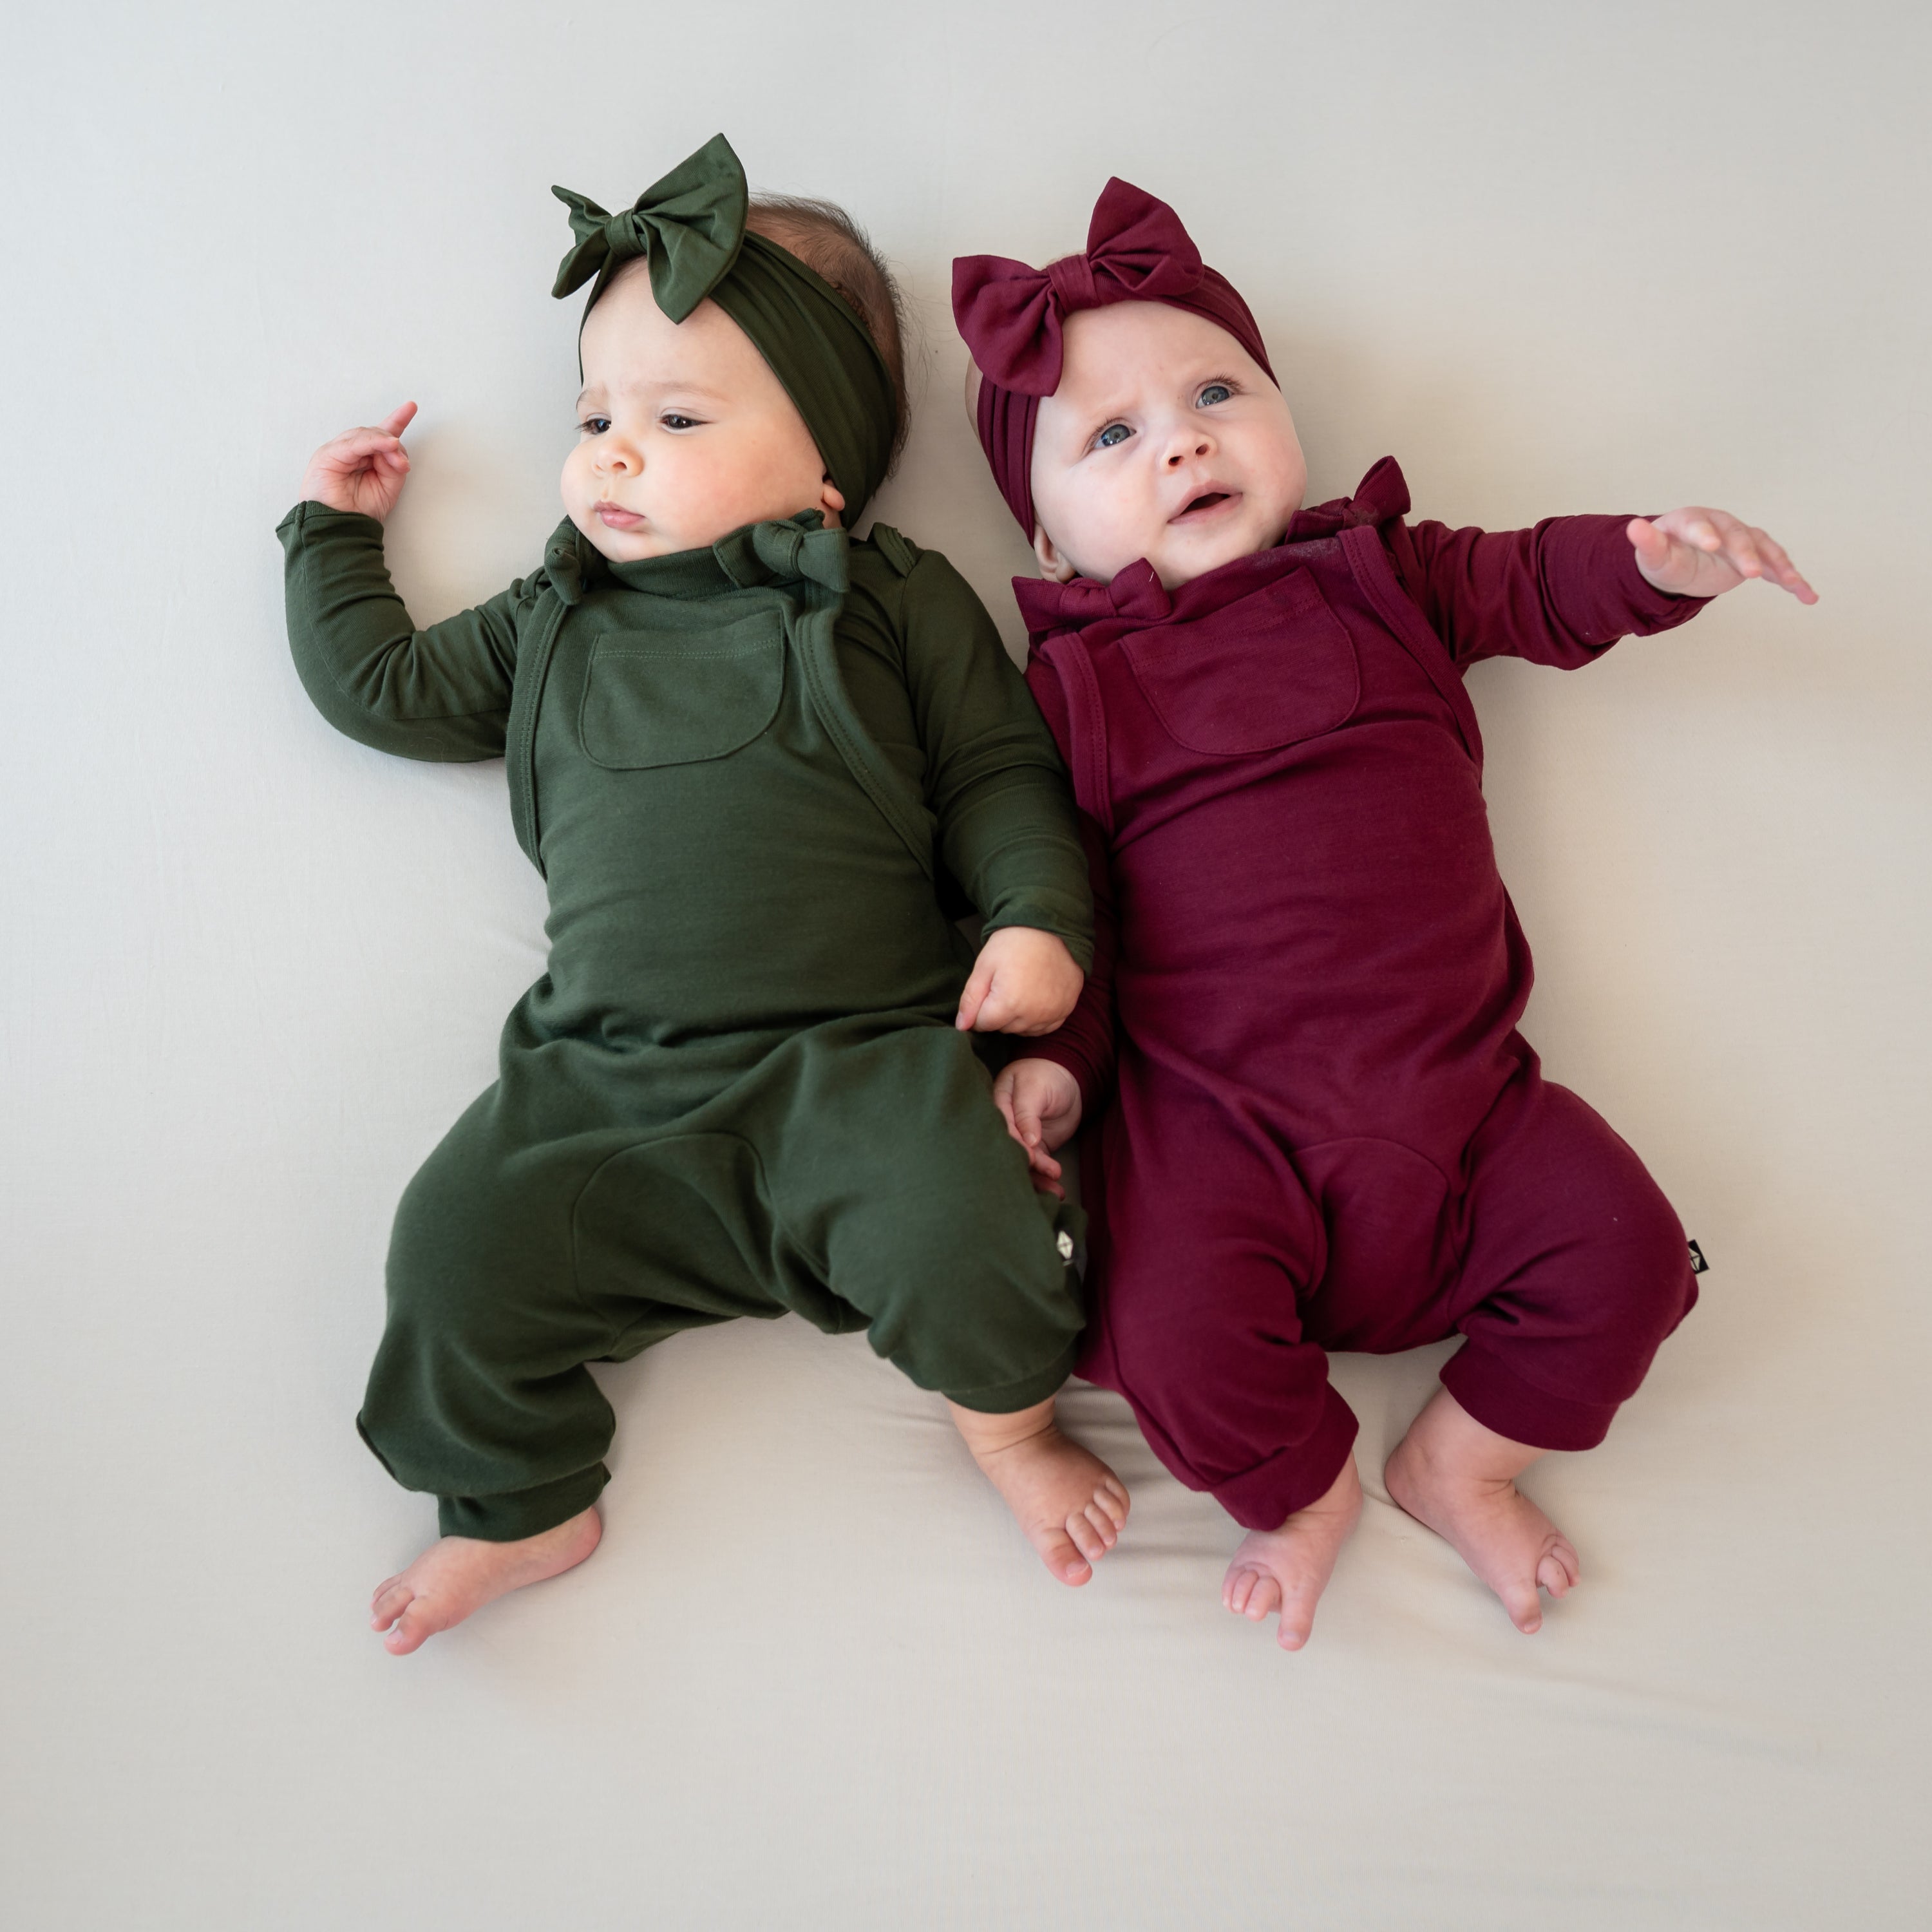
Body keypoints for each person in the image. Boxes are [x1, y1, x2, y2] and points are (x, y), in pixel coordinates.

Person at [280, 135, 1129, 1656]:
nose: (613, 452)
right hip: (598, 1083)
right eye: (595, 415)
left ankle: (1005, 1428)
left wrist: (1035, 923)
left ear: (826, 469)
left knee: (973, 1232)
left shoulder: (892, 600)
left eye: (674, 419)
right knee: (451, 1252)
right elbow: (385, 691)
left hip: (861, 1072)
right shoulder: (553, 617)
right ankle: (519, 1500)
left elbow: (1003, 777)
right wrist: (334, 537)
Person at [951, 176, 1814, 1649]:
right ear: (1047, 548)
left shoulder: (1383, 577)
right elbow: (1064, 915)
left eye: (1215, 392)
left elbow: (1533, 581)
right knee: (1169, 1337)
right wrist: (1055, 1070)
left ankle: (1459, 1461)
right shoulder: (1072, 695)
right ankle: (1302, 1492)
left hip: (1467, 1112)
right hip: (1221, 1141)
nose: (1184, 439)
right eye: (1113, 437)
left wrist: (1647, 561)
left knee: (1629, 1253)